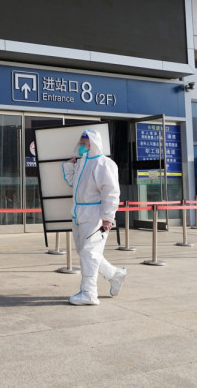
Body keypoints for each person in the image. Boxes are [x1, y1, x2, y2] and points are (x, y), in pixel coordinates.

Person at [62, 129, 126, 306]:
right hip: (79, 214)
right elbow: (73, 184)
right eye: (81, 142)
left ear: (94, 143)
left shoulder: (104, 164)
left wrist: (107, 218)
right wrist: (69, 166)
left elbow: (111, 192)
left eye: (85, 142)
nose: (82, 145)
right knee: (87, 253)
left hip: (95, 216)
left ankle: (89, 293)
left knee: (89, 253)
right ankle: (115, 275)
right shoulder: (82, 163)